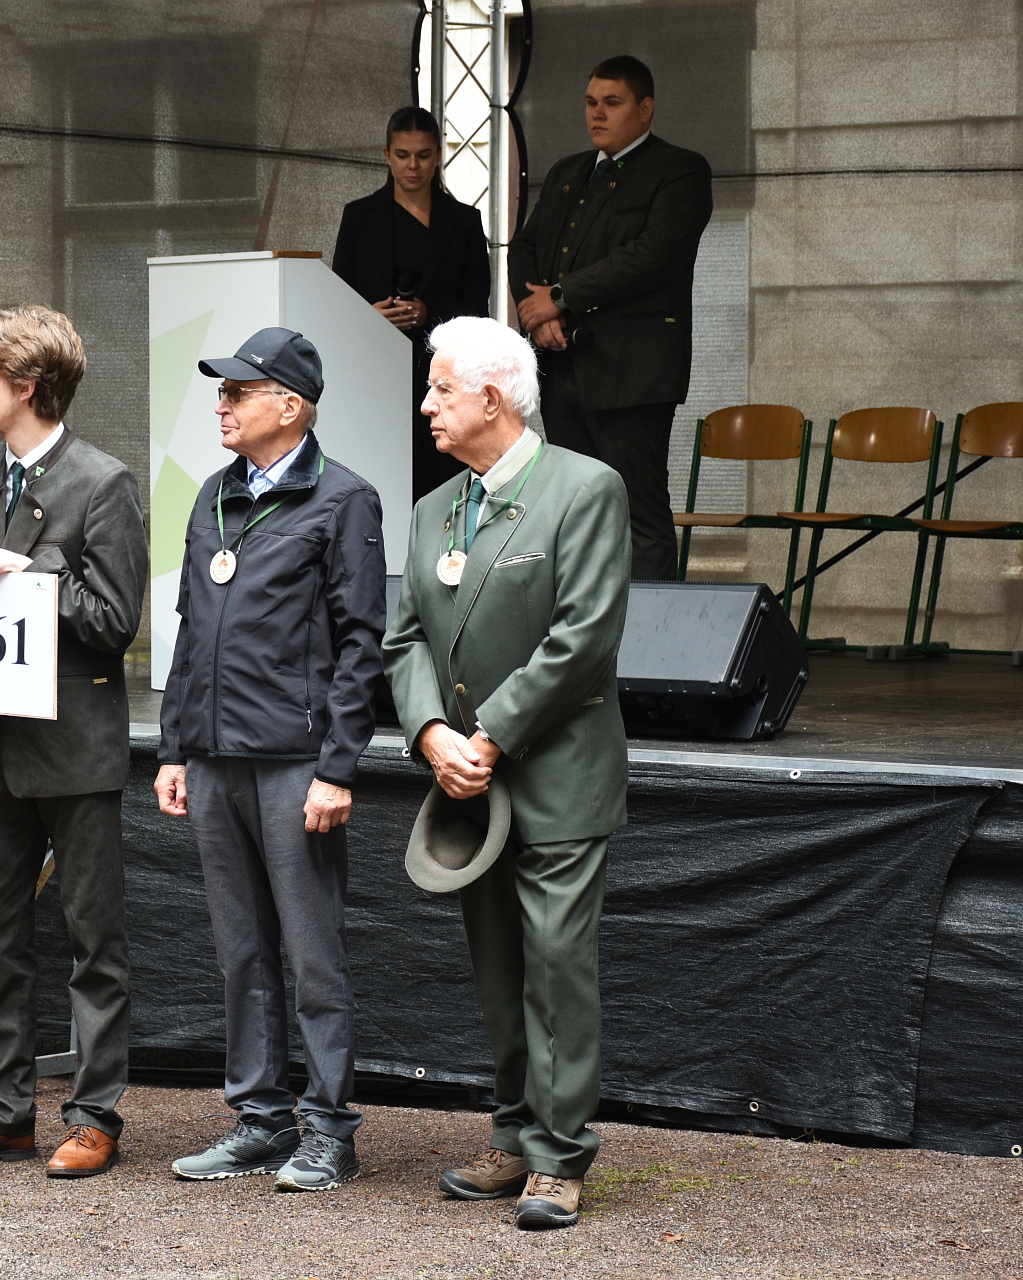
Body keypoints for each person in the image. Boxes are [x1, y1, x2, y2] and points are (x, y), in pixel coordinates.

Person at [383, 316, 630, 1231]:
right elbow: (405, 638)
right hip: (468, 783)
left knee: (556, 967)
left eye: (440, 389)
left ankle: (559, 1158)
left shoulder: (585, 488)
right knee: (497, 969)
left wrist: (486, 735)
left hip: (555, 776)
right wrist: (429, 735)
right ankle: (516, 1132)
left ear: (492, 398)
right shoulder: (433, 508)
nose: (427, 405)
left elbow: (583, 637)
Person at [0, 305, 148, 1179]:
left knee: (93, 943)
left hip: (73, 748)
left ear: (28, 387)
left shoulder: (104, 482)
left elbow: (114, 621)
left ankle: (94, 1117)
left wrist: (25, 569)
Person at [154, 327, 385, 1192]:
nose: (221, 405)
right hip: (214, 759)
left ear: (289, 406)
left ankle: (328, 1130)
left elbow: (363, 644)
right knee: (241, 952)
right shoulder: (213, 495)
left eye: (237, 392)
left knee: (313, 954)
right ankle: (260, 1120)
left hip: (295, 762)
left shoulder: (344, 499)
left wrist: (337, 767)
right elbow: (189, 631)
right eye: (220, 392)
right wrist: (175, 746)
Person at [508, 55, 711, 583]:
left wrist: (560, 296)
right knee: (578, 511)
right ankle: (585, 622)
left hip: (632, 373)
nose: (597, 114)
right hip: (563, 364)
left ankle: (651, 628)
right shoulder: (568, 172)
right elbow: (524, 247)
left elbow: (653, 255)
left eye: (613, 103)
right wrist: (538, 316)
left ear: (645, 109)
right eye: (591, 102)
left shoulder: (679, 169)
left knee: (637, 509)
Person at [333, 106, 491, 499]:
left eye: (423, 155)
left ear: (438, 154)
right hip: (374, 368)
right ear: (387, 154)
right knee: (376, 471)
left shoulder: (464, 221)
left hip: (443, 370)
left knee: (441, 471)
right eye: (403, 155)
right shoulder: (359, 217)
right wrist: (369, 315)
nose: (413, 166)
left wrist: (430, 314)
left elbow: (478, 304)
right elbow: (337, 296)